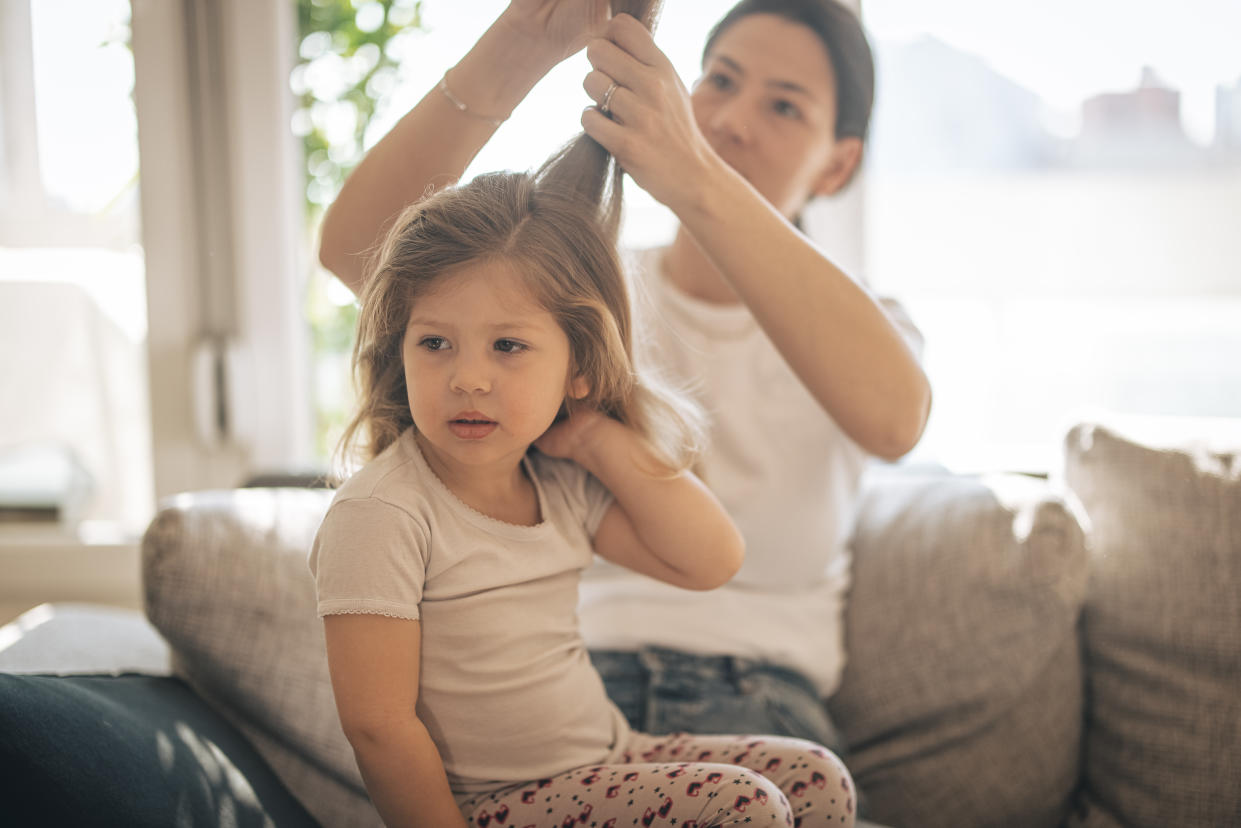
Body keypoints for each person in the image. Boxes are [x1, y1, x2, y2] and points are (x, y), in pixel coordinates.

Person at [318, 0, 931, 786]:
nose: (734, 120)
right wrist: (521, 43)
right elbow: (358, 251)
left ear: (837, 165)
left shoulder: (863, 325)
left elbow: (894, 420)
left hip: (757, 697)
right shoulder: (583, 301)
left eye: (783, 106)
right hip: (570, 684)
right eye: (719, 81)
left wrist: (696, 174)